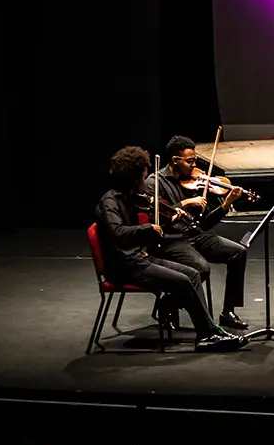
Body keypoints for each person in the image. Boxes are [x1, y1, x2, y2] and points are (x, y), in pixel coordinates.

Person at [95, 146, 241, 351]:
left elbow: (154, 209)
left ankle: (209, 331)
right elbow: (119, 233)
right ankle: (207, 334)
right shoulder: (110, 202)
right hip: (125, 266)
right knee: (183, 280)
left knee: (192, 274)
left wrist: (169, 213)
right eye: (143, 177)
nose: (145, 183)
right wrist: (148, 229)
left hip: (140, 258)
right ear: (134, 178)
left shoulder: (131, 196)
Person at [150, 136, 250, 332]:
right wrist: (185, 203)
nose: (194, 166)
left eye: (195, 160)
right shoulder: (155, 182)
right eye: (190, 161)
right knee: (201, 269)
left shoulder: (195, 181)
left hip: (194, 235)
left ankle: (228, 312)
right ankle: (168, 305)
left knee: (238, 252)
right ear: (174, 161)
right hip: (171, 240)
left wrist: (225, 204)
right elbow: (156, 220)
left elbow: (204, 224)